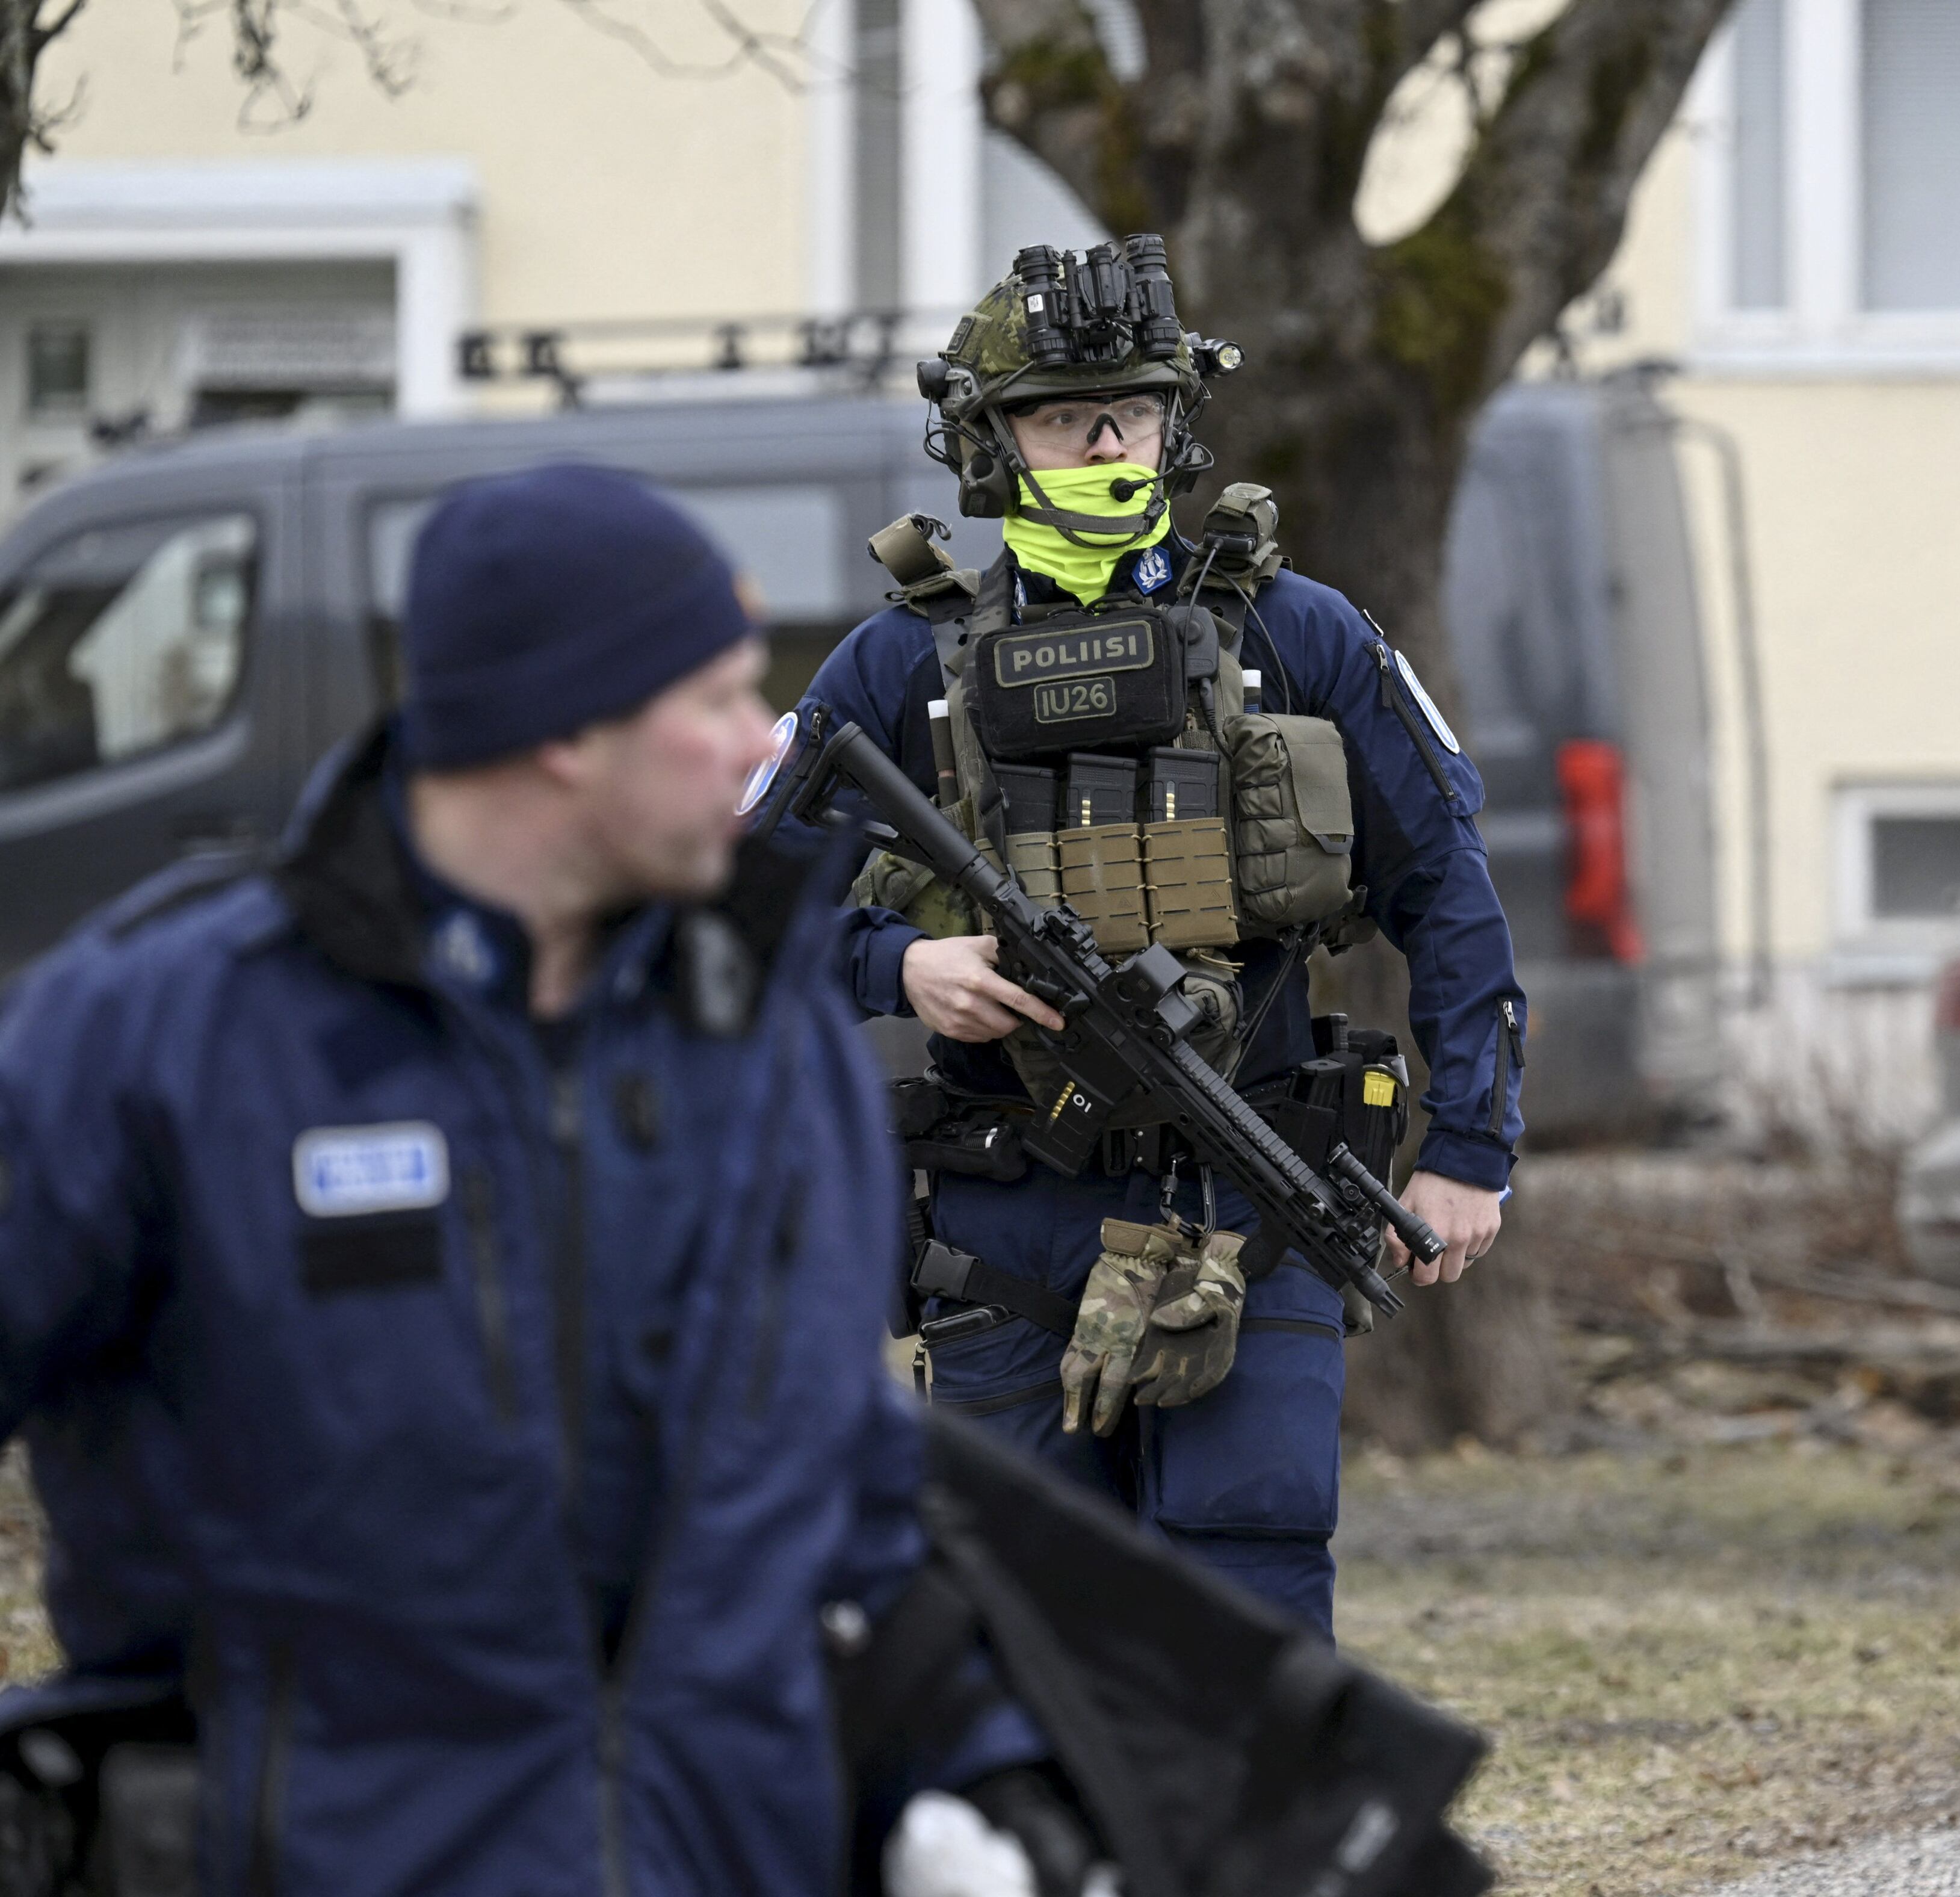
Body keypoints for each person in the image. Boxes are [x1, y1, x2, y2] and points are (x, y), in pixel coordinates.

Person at [0, 466, 1057, 1893]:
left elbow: (851, 1495)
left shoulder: (770, 1040)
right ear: (561, 731)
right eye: (712, 702)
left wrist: (984, 1781)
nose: (762, 745)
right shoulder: (166, 1036)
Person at [793, 235, 1524, 1635]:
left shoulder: (1299, 635)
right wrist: (902, 967)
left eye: (1131, 412)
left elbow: (1448, 885)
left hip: (1252, 1187)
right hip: (1005, 1214)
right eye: (1068, 418)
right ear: (992, 441)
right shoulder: (898, 665)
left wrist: (1471, 1156)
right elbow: (723, 917)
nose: (1108, 443)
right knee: (1013, 1617)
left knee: (1246, 1586)